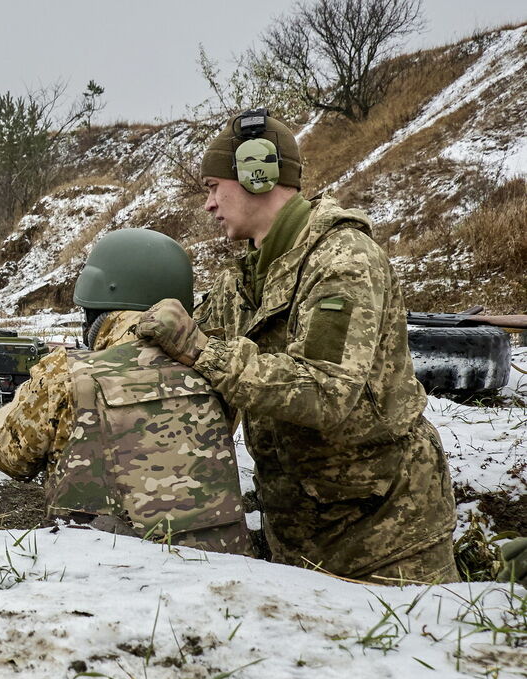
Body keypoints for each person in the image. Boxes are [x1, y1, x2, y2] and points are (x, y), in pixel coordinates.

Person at [136, 108, 459, 585]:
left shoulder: (343, 260)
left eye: (212, 186)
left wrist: (205, 351)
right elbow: (185, 340)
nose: (208, 205)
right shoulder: (250, 275)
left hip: (386, 540)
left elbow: (326, 392)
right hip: (300, 533)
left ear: (256, 174)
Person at [0, 228, 252, 554]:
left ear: (95, 309)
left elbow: (12, 458)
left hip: (107, 571)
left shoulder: (64, 373)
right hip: (223, 570)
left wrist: (14, 405)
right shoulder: (216, 364)